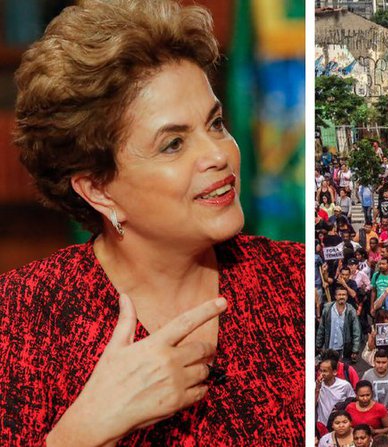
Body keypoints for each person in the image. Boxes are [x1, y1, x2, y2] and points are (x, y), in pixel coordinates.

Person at [0, 1, 304, 443]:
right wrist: (84, 430)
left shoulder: (293, 278)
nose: (219, 155)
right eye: (174, 144)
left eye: (215, 124)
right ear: (98, 190)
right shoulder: (20, 320)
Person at [319, 286, 363, 363]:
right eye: (339, 295)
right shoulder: (327, 309)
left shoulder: (351, 311)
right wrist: (318, 345)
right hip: (329, 347)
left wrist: (355, 350)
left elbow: (356, 331)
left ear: (347, 297)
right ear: (335, 296)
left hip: (344, 349)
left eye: (344, 295)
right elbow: (321, 328)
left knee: (342, 371)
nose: (342, 297)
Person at [318, 358, 357, 428]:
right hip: (322, 426)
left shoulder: (344, 385)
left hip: (340, 426)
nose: (322, 374)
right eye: (320, 371)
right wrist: (317, 388)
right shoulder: (316, 385)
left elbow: (352, 402)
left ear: (334, 372)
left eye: (325, 371)